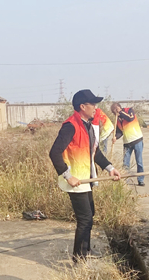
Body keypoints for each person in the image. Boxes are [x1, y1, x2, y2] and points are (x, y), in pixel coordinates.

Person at [49, 90, 121, 261]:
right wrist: (68, 176)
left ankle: (85, 250)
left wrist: (110, 168)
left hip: (86, 179)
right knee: (85, 219)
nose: (96, 108)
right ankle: (79, 258)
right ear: (82, 106)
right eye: (93, 104)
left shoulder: (88, 125)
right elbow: (54, 152)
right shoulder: (70, 126)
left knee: (90, 214)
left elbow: (94, 152)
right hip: (75, 181)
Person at [111, 102, 145, 186]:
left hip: (137, 140)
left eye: (116, 110)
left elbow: (130, 118)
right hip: (127, 143)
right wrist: (115, 137)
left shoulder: (129, 110)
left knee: (139, 161)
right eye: (114, 112)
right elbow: (120, 132)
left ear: (119, 107)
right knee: (125, 163)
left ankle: (140, 179)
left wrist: (121, 112)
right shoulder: (118, 120)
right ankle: (126, 180)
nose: (116, 113)